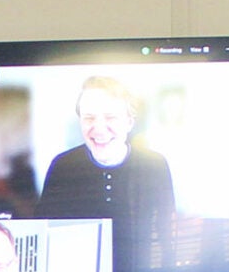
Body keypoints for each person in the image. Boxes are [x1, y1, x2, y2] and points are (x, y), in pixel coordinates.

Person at [35, 74, 176, 229]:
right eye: (89, 118)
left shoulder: (155, 165)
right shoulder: (62, 167)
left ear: (129, 123)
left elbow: (167, 233)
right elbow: (43, 233)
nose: (99, 130)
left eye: (110, 118)